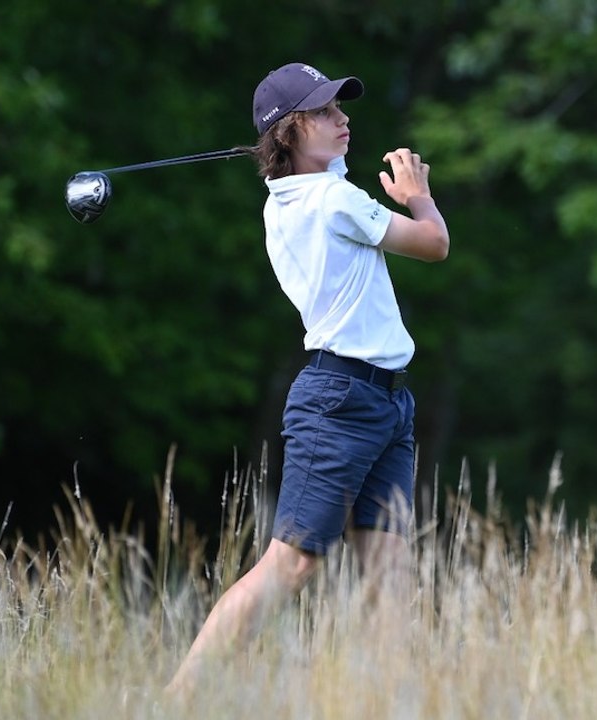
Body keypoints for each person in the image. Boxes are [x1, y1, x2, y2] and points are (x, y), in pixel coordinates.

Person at [165, 61, 449, 696]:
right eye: (324, 111)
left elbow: (322, 178)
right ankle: (175, 702)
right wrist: (417, 194)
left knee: (390, 577)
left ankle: (388, 706)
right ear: (289, 131)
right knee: (291, 563)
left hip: (384, 402)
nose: (343, 118)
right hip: (341, 402)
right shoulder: (331, 199)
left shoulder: (294, 197)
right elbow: (434, 244)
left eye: (340, 107)